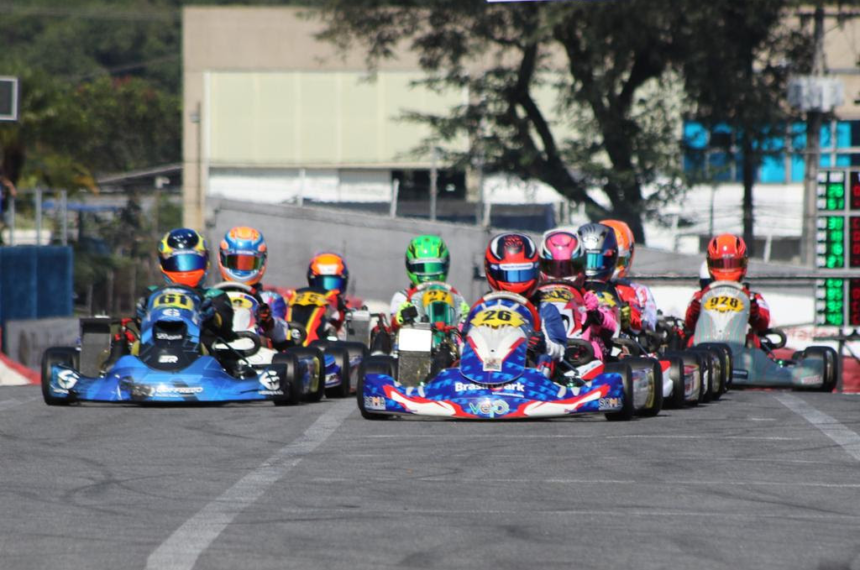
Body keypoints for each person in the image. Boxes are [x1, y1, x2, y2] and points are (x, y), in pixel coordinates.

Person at [466, 232, 567, 371]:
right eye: (509, 274)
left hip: (528, 374)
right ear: (491, 271)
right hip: (481, 370)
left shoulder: (544, 309)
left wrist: (543, 344)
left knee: (546, 360)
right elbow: (463, 340)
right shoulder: (482, 308)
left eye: (523, 274)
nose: (516, 283)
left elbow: (561, 351)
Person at [135, 228, 236, 349]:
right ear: (163, 264)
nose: (185, 269)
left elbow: (226, 328)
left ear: (205, 261)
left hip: (201, 353)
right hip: (156, 350)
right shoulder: (152, 293)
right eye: (178, 262)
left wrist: (212, 318)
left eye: (192, 261)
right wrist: (140, 317)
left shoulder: (215, 296)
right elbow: (141, 329)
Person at [539, 229, 616, 361]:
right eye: (553, 268)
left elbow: (613, 326)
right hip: (543, 351)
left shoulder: (589, 295)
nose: (561, 275)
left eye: (568, 268)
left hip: (582, 357)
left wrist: (596, 313)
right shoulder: (535, 297)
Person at [685, 234, 770, 342]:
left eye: (732, 263)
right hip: (706, 345)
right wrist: (695, 311)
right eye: (720, 263)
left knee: (755, 341)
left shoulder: (753, 298)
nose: (726, 269)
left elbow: (763, 324)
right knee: (690, 341)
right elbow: (689, 324)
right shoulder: (700, 297)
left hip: (740, 346)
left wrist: (755, 313)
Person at [218, 226, 291, 346]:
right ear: (222, 258)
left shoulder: (270, 299)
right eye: (235, 261)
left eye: (248, 263)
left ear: (262, 262)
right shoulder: (211, 296)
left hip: (256, 351)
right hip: (216, 349)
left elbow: (281, 335)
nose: (241, 269)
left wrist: (268, 321)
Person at [389, 235, 469, 327]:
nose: (428, 275)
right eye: (421, 268)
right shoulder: (402, 297)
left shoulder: (455, 296)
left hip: (449, 334)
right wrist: (400, 317)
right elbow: (393, 326)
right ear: (410, 267)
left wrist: (465, 317)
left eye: (434, 267)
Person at [578, 222, 643, 335]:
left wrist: (625, 317)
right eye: (587, 261)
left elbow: (637, 325)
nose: (592, 268)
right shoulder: (573, 287)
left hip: (609, 337)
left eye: (597, 261)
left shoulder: (623, 289)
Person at [600, 219, 658, 332]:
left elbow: (649, 324)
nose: (612, 265)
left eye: (618, 260)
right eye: (607, 259)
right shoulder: (583, 285)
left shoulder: (639, 291)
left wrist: (627, 317)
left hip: (623, 338)